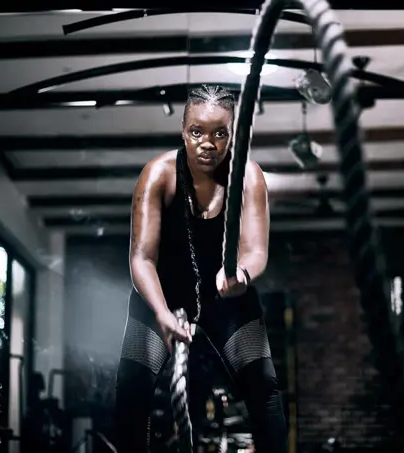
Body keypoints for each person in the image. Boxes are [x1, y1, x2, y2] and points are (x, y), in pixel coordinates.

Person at [114, 84, 287, 452]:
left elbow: (256, 250)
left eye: (219, 133)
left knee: (264, 388)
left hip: (226, 294)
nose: (207, 143)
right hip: (160, 294)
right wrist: (161, 313)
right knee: (132, 388)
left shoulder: (249, 176)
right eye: (197, 132)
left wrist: (240, 275)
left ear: (232, 134)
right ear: (183, 132)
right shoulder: (158, 174)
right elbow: (141, 258)